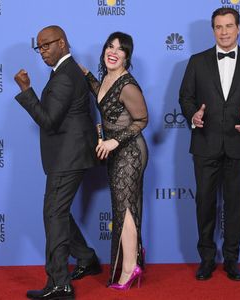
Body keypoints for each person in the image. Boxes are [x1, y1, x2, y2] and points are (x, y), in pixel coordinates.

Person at [179, 7, 240, 281]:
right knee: (204, 203)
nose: (224, 32)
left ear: (238, 28)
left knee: (235, 204)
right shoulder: (196, 61)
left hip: (239, 143)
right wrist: (193, 115)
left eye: (229, 26)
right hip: (205, 142)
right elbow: (185, 98)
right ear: (213, 30)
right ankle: (206, 259)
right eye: (218, 27)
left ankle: (231, 259)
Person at [14, 25, 101, 300]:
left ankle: (59, 283)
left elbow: (49, 121)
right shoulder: (67, 71)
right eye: (38, 47)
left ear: (62, 43)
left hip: (67, 156)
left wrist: (27, 91)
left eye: (47, 45)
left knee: (53, 214)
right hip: (70, 154)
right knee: (58, 212)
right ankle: (86, 259)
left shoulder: (64, 76)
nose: (42, 51)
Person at [80, 32, 148, 290]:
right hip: (117, 152)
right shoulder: (108, 78)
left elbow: (142, 120)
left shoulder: (128, 85)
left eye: (120, 49)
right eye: (110, 46)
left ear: (127, 57)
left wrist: (113, 142)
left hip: (131, 152)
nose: (113, 51)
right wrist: (83, 72)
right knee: (125, 207)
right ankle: (134, 260)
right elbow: (103, 96)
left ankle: (131, 268)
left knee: (125, 209)